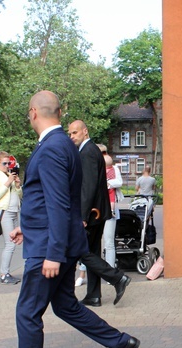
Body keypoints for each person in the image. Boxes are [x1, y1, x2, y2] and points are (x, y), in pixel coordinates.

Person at [0, 91, 140, 348]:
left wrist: (52, 253)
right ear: (58, 112)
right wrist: (29, 227)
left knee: (27, 313)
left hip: (48, 250)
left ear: (33, 112)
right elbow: (50, 200)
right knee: (65, 306)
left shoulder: (50, 148)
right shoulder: (64, 145)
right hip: (50, 240)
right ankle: (121, 343)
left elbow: (61, 204)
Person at [67, 119, 131, 307]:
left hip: (92, 213)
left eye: (75, 133)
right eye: (70, 133)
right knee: (92, 251)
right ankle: (94, 295)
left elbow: (87, 187)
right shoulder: (92, 150)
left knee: (79, 251)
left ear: (85, 132)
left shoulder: (87, 152)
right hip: (97, 212)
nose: (72, 137)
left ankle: (118, 278)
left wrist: (82, 216)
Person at [0, 151, 23, 284]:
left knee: (12, 243)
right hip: (4, 212)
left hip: (14, 211)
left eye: (9, 163)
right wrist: (8, 182)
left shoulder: (8, 175)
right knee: (10, 244)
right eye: (4, 163)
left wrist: (18, 185)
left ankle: (6, 272)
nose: (7, 165)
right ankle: (4, 274)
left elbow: (18, 195)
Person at [103, 152, 123, 268]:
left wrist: (107, 183)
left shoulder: (113, 170)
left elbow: (119, 182)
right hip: (104, 207)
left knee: (109, 242)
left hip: (109, 207)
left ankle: (110, 270)